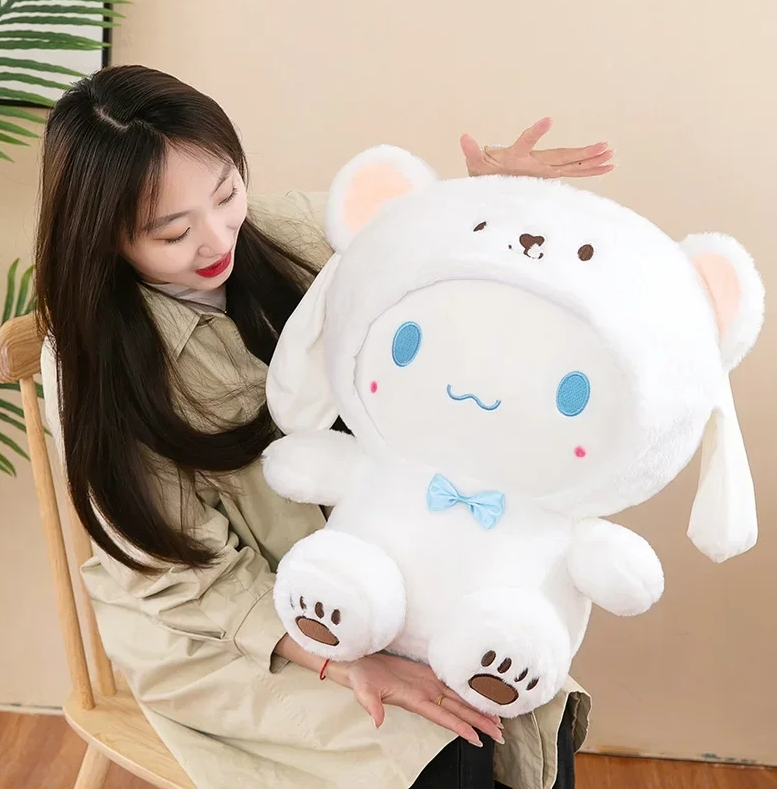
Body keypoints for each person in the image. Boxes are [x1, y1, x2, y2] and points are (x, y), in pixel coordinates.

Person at [36, 64, 611, 789]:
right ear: (104, 239)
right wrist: (342, 660)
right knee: (443, 750)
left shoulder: (296, 232)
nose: (216, 238)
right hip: (218, 631)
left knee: (525, 709)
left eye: (226, 194)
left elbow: (416, 257)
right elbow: (176, 573)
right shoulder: (93, 362)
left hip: (361, 567)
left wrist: (482, 203)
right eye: (172, 231)